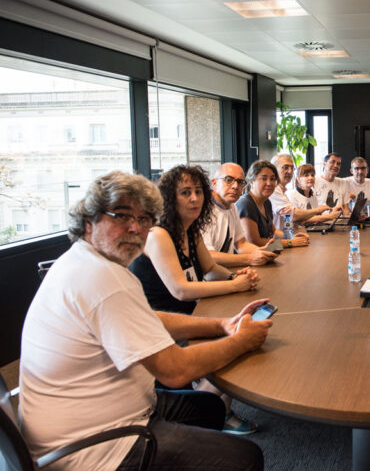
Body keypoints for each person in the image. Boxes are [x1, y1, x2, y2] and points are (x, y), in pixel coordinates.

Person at [19, 171, 270, 471]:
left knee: (210, 408)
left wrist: (220, 325)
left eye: (145, 218)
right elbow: (176, 371)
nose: (136, 228)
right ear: (89, 222)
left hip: (110, 412)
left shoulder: (86, 261)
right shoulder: (102, 278)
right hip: (96, 447)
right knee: (246, 459)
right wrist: (240, 340)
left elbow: (151, 318)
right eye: (121, 216)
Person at [130, 165, 261, 315]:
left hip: (192, 314)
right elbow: (181, 290)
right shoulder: (157, 235)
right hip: (162, 328)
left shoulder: (191, 230)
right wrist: (235, 285)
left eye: (198, 192)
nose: (195, 198)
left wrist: (235, 276)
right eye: (186, 193)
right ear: (169, 198)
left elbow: (210, 269)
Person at [202, 162, 278, 267]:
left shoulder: (232, 206)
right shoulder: (202, 209)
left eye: (240, 182)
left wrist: (262, 252)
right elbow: (207, 256)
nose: (235, 186)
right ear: (214, 183)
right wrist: (249, 259)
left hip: (226, 272)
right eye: (228, 180)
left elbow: (241, 244)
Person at [236, 160, 309, 248]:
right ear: (252, 181)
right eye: (264, 178)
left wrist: (292, 237)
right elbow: (254, 241)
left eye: (272, 179)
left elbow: (273, 230)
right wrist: (290, 242)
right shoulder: (246, 204)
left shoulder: (266, 202)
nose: (269, 183)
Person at [270, 154, 337, 224]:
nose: (290, 171)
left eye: (292, 168)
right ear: (298, 179)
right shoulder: (277, 191)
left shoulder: (312, 196)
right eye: (285, 167)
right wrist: (328, 215)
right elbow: (294, 217)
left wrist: (331, 211)